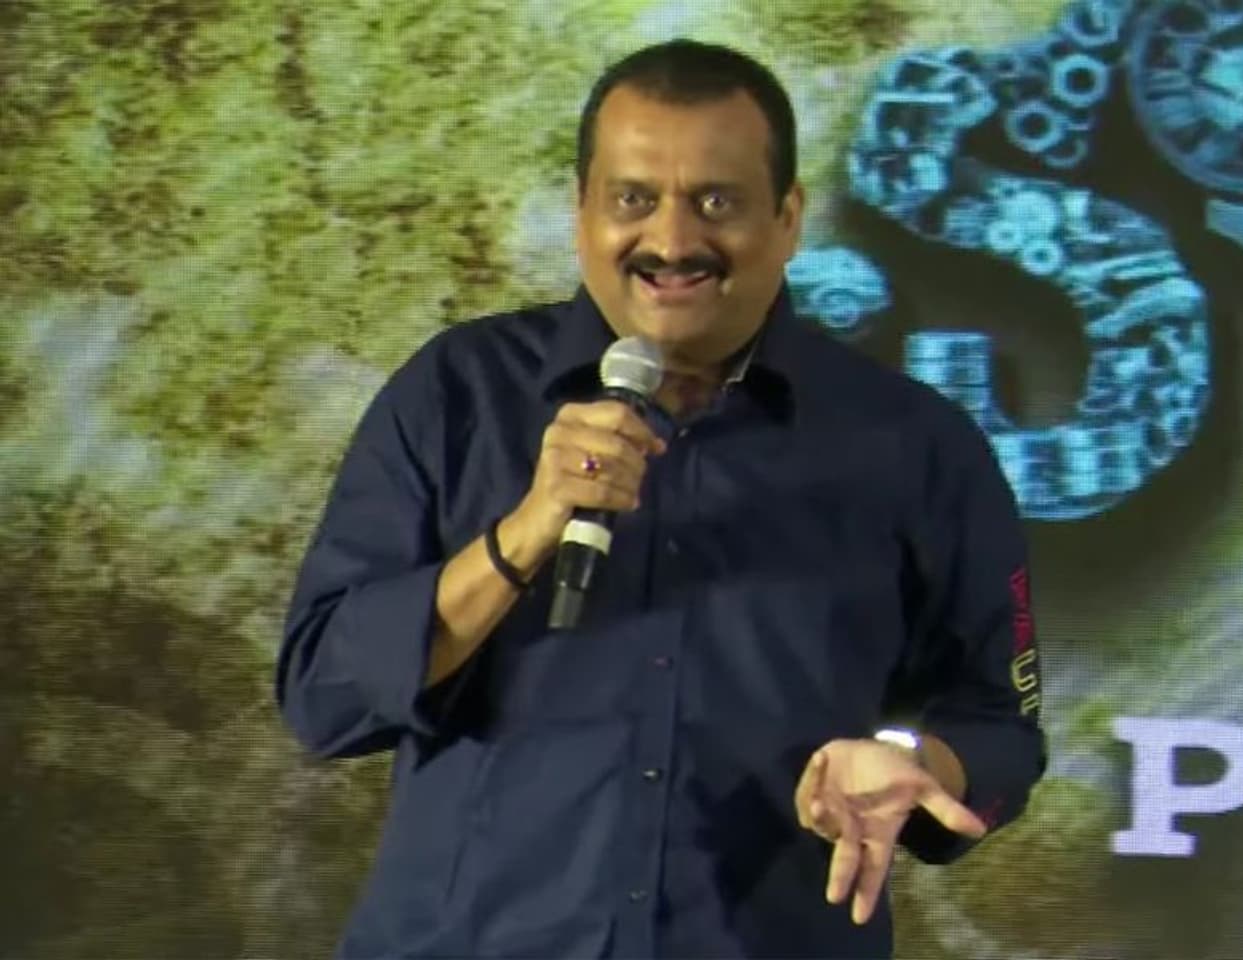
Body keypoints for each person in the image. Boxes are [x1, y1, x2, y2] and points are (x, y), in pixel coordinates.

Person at [277, 39, 1046, 959]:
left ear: (788, 218)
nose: (673, 242)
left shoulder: (918, 446)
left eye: (716, 202)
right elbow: (324, 700)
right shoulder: (455, 396)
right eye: (633, 200)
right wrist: (523, 534)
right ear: (582, 212)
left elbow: (1003, 731)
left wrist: (919, 764)